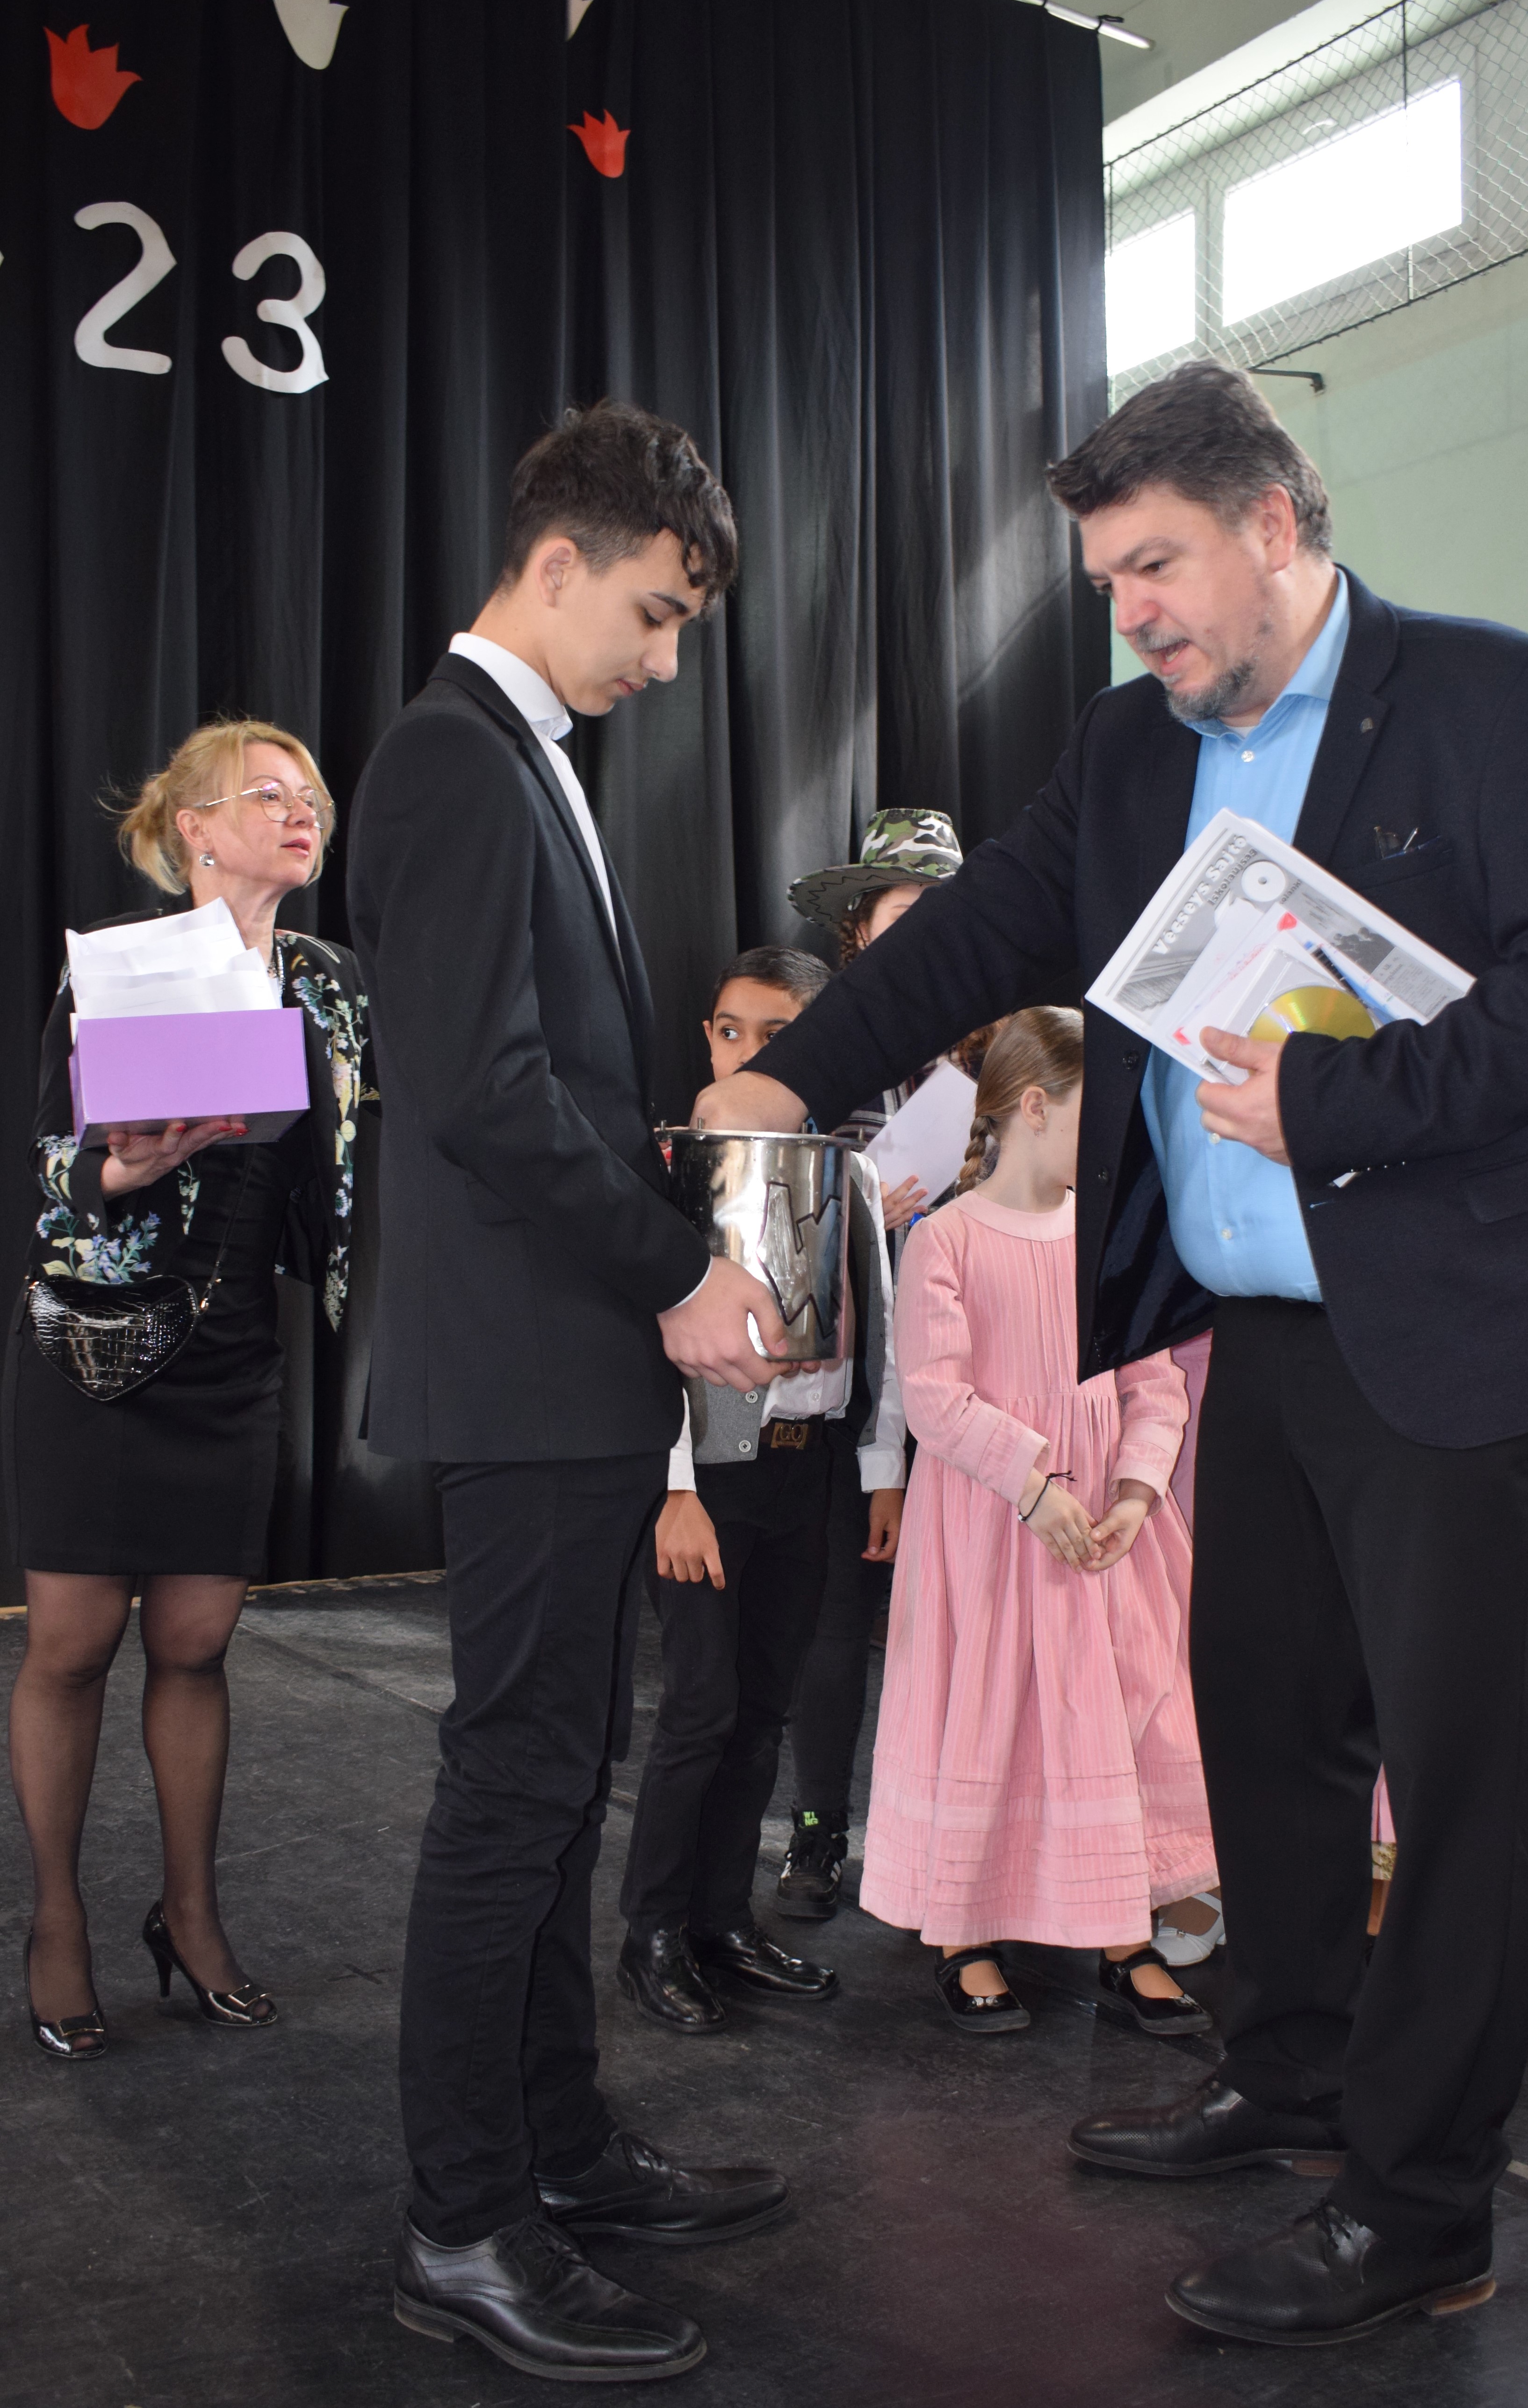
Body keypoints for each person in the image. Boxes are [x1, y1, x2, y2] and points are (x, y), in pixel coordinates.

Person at [678, 361, 1528, 2346]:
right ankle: (1288, 2076)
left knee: (1462, 1785)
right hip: (1250, 1341)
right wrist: (785, 1079)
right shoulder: (1133, 746)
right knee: (1264, 1735)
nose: (1127, 613)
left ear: (1273, 525)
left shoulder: (1495, 694)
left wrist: (1348, 1096)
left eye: (1155, 567)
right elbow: (977, 939)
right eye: (1107, 581)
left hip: (1462, 1339)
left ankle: (1419, 2208)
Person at [347, 403, 794, 2386]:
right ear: (555, 566)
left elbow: (545, 1086)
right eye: (657, 613)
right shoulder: (455, 757)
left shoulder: (515, 754)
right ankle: (464, 2227)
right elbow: (482, 1091)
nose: (667, 660)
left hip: (562, 1369)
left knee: (550, 1786)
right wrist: (679, 1266)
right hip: (532, 1370)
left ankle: (557, 2150)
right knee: (515, 1791)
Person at [5, 720, 369, 2057]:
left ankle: (192, 1913)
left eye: (309, 794)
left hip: (233, 1350)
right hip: (97, 1344)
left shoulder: (330, 980)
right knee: (69, 1647)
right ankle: (56, 1920)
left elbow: (349, 1155)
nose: (299, 810)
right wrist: (121, 1170)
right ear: (193, 829)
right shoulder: (123, 962)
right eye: (266, 794)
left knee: (197, 1644)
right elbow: (53, 1156)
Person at [864, 1008, 1214, 2038]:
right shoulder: (947, 1238)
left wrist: (1136, 1492)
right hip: (992, 1529)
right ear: (1032, 1107)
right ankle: (965, 1930)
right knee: (992, 1712)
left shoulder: (1110, 1239)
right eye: (1095, 1116)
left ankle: (1122, 1931)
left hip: (1103, 1532)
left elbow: (1154, 1384)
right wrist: (1033, 1484)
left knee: (1123, 1713)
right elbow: (935, 1396)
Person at [618, 947, 905, 2031]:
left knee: (765, 1706)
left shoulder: (848, 1171)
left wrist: (879, 1468)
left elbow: (883, 1328)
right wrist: (673, 1486)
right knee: (700, 1705)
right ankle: (652, 1932)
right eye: (730, 1030)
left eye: (778, 1036)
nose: (745, 1053)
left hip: (810, 1466)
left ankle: (722, 1919)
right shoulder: (671, 1167)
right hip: (709, 1475)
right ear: (705, 1036)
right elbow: (641, 1341)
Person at [774, 810, 961, 1919]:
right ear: (857, 928)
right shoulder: (816, 1048)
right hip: (852, 1383)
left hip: (983, 1379)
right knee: (834, 1619)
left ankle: (954, 1848)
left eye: (947, 912)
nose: (926, 931)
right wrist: (856, 1212)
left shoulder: (1001, 1051)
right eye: (904, 911)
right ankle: (818, 1832)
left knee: (963, 1628)